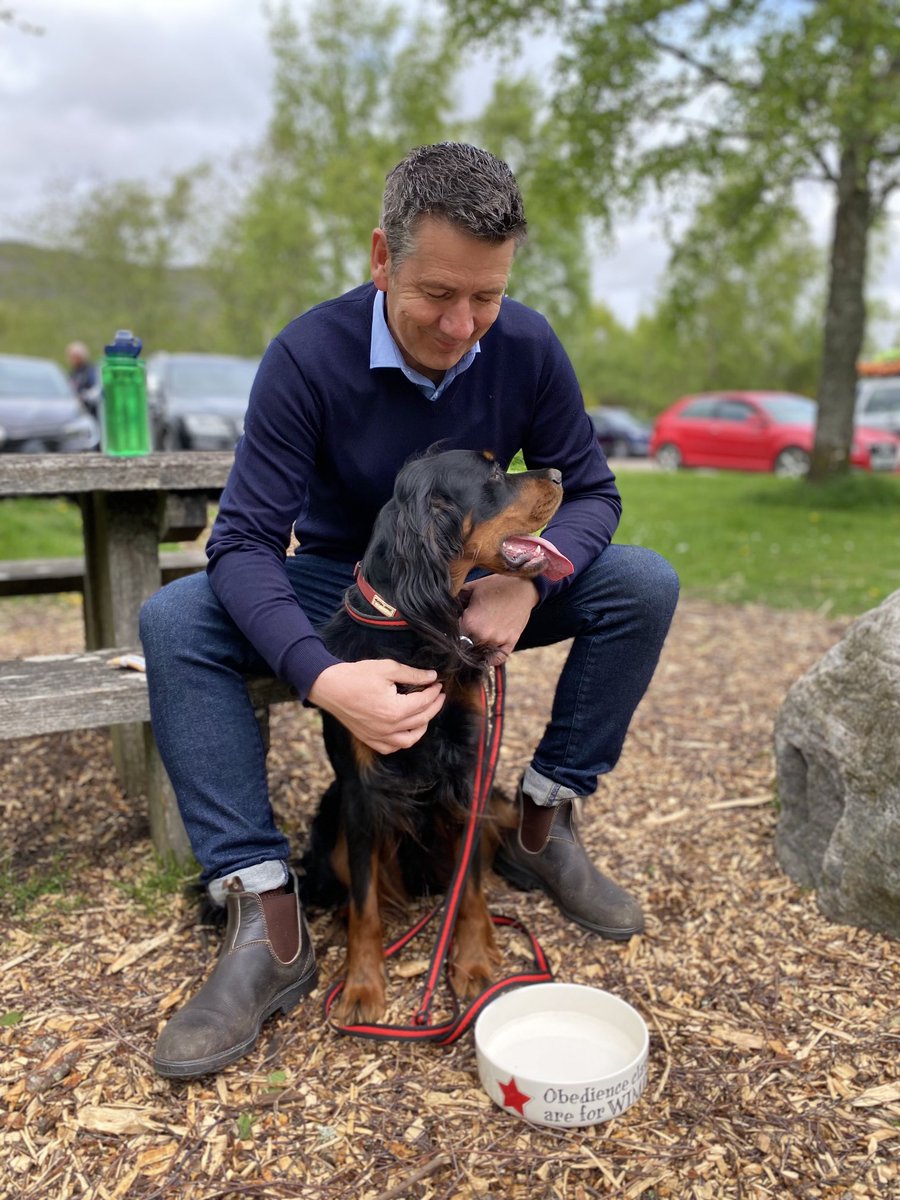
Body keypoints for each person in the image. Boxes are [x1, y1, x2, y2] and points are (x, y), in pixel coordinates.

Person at [140, 142, 679, 1079]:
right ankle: (265, 910)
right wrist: (324, 676)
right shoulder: (308, 357)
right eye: (439, 293)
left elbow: (591, 492)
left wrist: (530, 576)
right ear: (381, 258)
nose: (464, 324)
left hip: (471, 581)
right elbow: (242, 544)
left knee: (641, 582)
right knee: (177, 620)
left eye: (488, 297)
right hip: (341, 583)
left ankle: (542, 824)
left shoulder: (529, 347)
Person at [65, 341, 100, 414]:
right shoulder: (73, 373)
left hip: (89, 410)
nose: (72, 359)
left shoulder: (90, 371)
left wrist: (83, 396)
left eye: (75, 356)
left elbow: (95, 389)